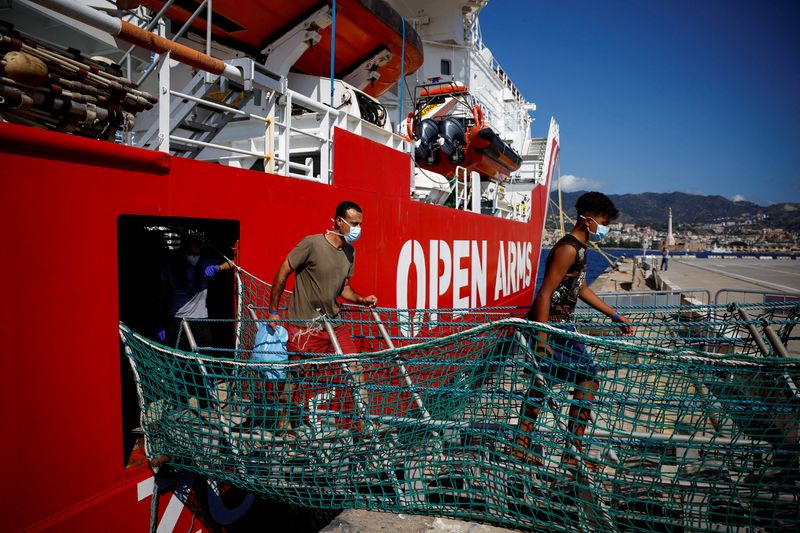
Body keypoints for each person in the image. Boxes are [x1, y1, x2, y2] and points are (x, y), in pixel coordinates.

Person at [516, 192, 634, 469]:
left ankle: (534, 446)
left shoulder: (581, 248)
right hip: (555, 328)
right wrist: (542, 338)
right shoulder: (568, 248)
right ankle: (570, 453)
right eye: (603, 223)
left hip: (563, 326)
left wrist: (614, 315)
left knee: (541, 387)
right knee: (586, 381)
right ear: (587, 220)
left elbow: (580, 289)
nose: (605, 229)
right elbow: (544, 294)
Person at [267, 201, 378, 429]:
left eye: (360, 224)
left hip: (334, 325)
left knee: (355, 368)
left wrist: (362, 299)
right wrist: (273, 311)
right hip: (305, 327)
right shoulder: (312, 244)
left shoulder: (349, 251)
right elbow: (283, 271)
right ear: (339, 221)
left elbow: (344, 288)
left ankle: (365, 423)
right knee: (295, 376)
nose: (359, 229)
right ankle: (283, 423)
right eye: (355, 224)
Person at [158, 235, 233, 349]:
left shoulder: (205, 264)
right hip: (176, 319)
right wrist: (160, 323)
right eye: (191, 254)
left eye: (197, 254)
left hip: (200, 318)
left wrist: (218, 268)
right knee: (177, 355)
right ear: (183, 251)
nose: (194, 257)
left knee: (206, 355)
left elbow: (234, 262)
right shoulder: (170, 269)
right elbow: (162, 296)